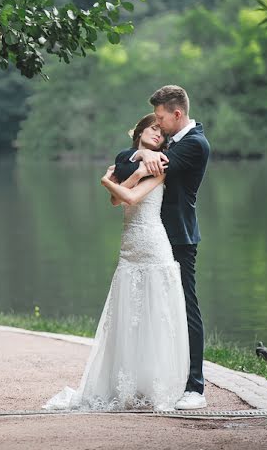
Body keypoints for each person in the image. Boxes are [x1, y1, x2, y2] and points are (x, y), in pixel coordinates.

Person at [42, 113, 189, 412]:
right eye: (153, 129)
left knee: (154, 311)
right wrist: (123, 180)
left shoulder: (159, 164)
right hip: (129, 243)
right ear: (139, 132)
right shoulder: (132, 160)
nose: (158, 134)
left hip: (152, 242)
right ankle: (128, 383)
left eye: (162, 132)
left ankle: (155, 384)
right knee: (129, 313)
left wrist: (106, 181)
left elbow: (130, 199)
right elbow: (117, 201)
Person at [134, 85, 211, 410]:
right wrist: (141, 151)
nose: (159, 123)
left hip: (178, 237)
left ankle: (195, 387)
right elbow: (131, 162)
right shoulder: (173, 141)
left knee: (185, 307)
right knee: (155, 309)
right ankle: (162, 377)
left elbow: (158, 166)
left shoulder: (194, 144)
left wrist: (143, 153)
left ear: (177, 114)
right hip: (153, 236)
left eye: (162, 117)